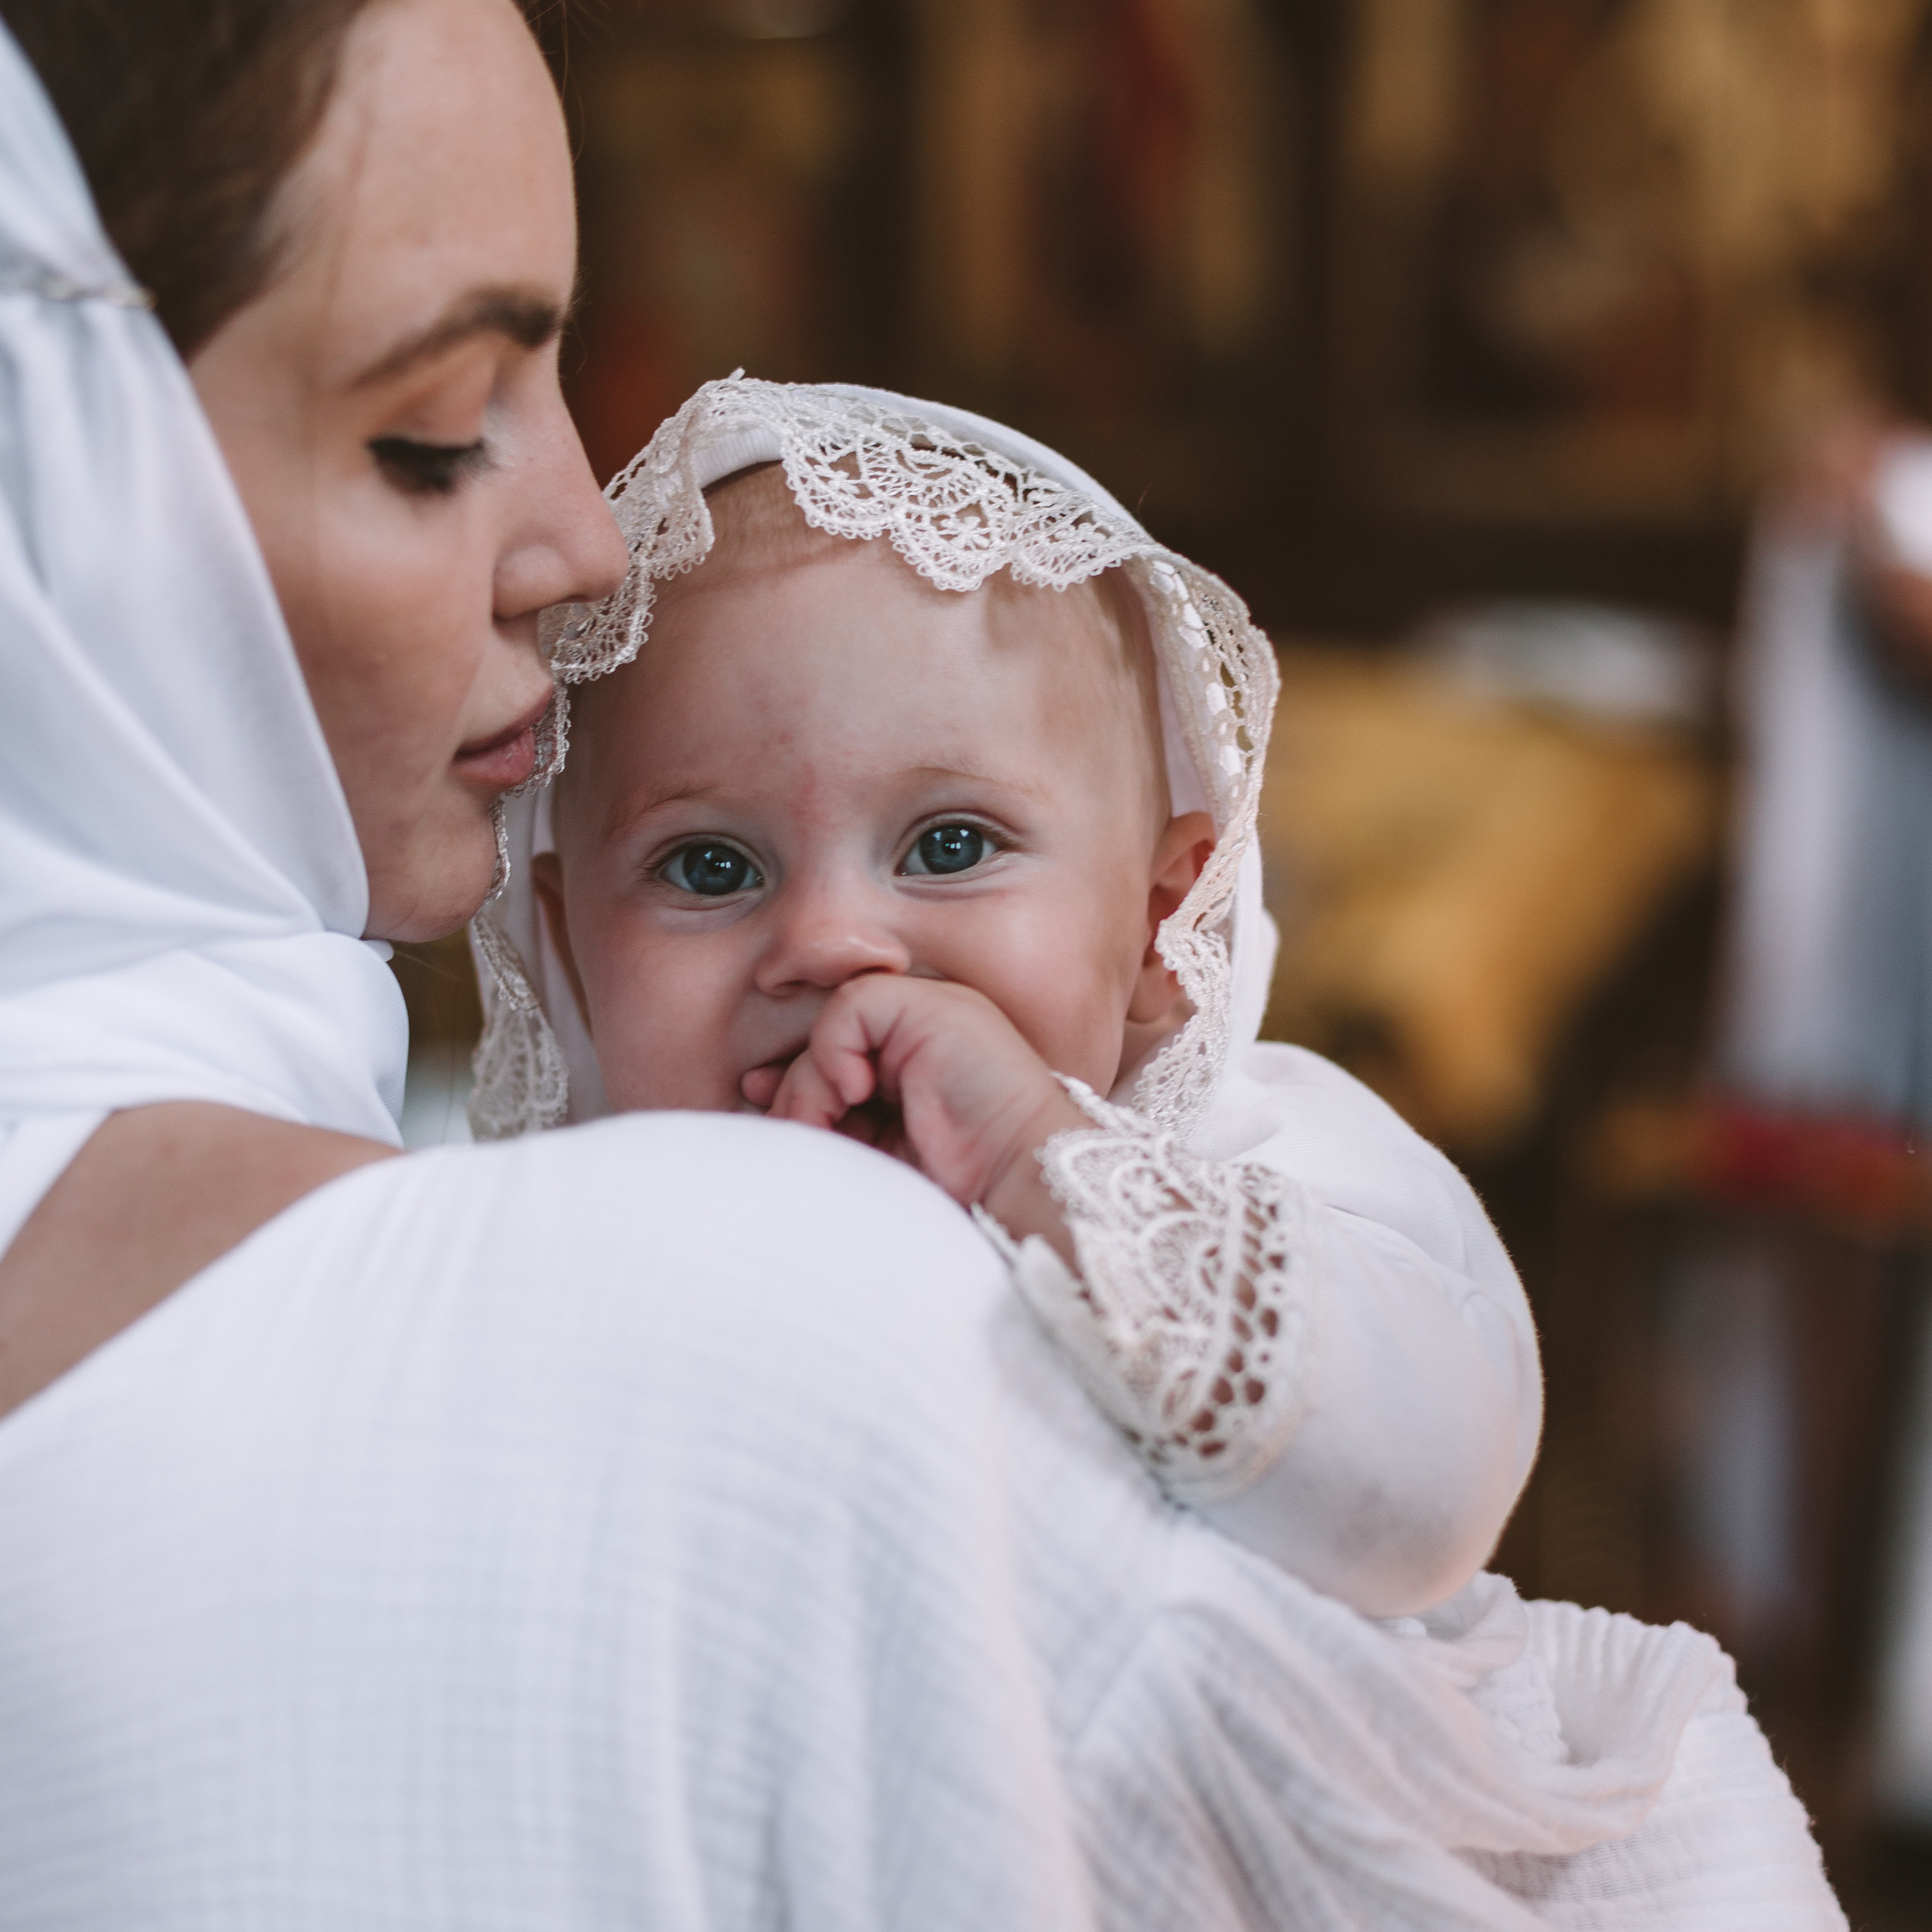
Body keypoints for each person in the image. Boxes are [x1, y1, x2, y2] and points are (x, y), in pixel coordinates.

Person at [0, 0, 1841, 1924]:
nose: (576, 537)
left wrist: (1066, 1169)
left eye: (950, 843)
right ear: (54, 485)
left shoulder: (1226, 1164)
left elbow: (1435, 1444)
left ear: (1162, 910)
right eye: (431, 431)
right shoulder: (771, 1330)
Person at [484, 377, 1537, 1614]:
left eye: (949, 846)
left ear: (1159, 923)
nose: (828, 943)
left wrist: (1037, 1155)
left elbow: (1426, 1498)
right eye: (709, 867)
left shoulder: (1254, 1163)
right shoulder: (566, 1255)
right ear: (570, 951)